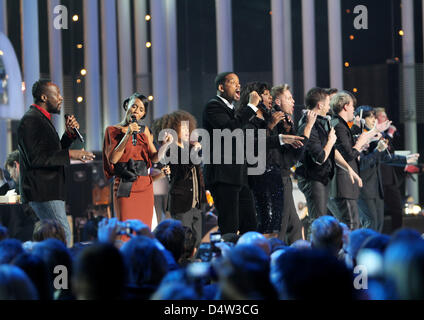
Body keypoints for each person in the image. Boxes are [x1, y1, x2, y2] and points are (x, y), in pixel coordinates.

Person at [17, 80, 95, 246]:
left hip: (49, 191)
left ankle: (53, 270)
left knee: (52, 238)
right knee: (62, 235)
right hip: (43, 192)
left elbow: (52, 153)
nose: (61, 98)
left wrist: (68, 135)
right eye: (57, 94)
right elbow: (37, 158)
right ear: (44, 97)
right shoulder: (31, 120)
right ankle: (62, 272)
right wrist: (71, 154)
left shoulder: (42, 119)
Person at [239, 82, 304, 237]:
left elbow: (281, 149)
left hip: (275, 173)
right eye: (266, 94)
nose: (270, 97)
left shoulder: (270, 116)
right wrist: (270, 126)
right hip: (260, 178)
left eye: (269, 94)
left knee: (292, 224)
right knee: (272, 225)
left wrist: (287, 129)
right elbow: (253, 147)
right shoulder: (248, 119)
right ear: (255, 97)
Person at [296, 88, 362, 238]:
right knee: (317, 221)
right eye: (327, 103)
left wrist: (349, 169)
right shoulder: (308, 124)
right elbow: (320, 157)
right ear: (319, 105)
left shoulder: (322, 122)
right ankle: (314, 255)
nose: (329, 106)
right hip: (313, 178)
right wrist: (331, 141)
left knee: (323, 222)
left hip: (322, 177)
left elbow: (332, 152)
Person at [103, 93, 173, 229]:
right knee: (126, 229)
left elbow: (154, 157)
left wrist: (165, 145)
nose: (136, 111)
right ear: (126, 106)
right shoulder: (111, 130)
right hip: (125, 184)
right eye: (134, 106)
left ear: (143, 115)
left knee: (144, 230)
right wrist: (128, 134)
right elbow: (113, 159)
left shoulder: (145, 131)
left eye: (141, 109)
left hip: (144, 186)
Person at [202, 72, 259, 235]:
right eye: (233, 82)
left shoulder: (233, 109)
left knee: (250, 223)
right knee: (230, 225)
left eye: (239, 83)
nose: (238, 86)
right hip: (223, 176)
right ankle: (228, 258)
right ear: (221, 87)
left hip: (239, 176)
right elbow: (229, 130)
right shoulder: (213, 106)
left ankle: (247, 257)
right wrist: (251, 107)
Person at [271, 84, 317, 244]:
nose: (293, 101)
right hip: (278, 178)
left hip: (284, 177)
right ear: (277, 101)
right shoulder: (276, 123)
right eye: (289, 98)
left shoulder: (286, 122)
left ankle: (296, 260)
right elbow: (293, 156)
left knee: (295, 226)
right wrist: (309, 126)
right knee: (283, 226)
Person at [158, 110, 207, 248]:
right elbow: (181, 173)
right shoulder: (171, 150)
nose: (187, 130)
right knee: (184, 242)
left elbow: (199, 175)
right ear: (174, 128)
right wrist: (194, 153)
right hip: (181, 203)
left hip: (196, 203)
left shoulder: (191, 147)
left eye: (188, 127)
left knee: (197, 241)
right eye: (183, 127)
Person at [328, 92, 374, 230]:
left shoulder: (342, 125)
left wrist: (357, 134)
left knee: (354, 224)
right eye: (353, 106)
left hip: (347, 184)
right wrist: (360, 142)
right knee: (351, 225)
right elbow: (348, 155)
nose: (354, 109)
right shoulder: (338, 125)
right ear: (346, 106)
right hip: (343, 184)